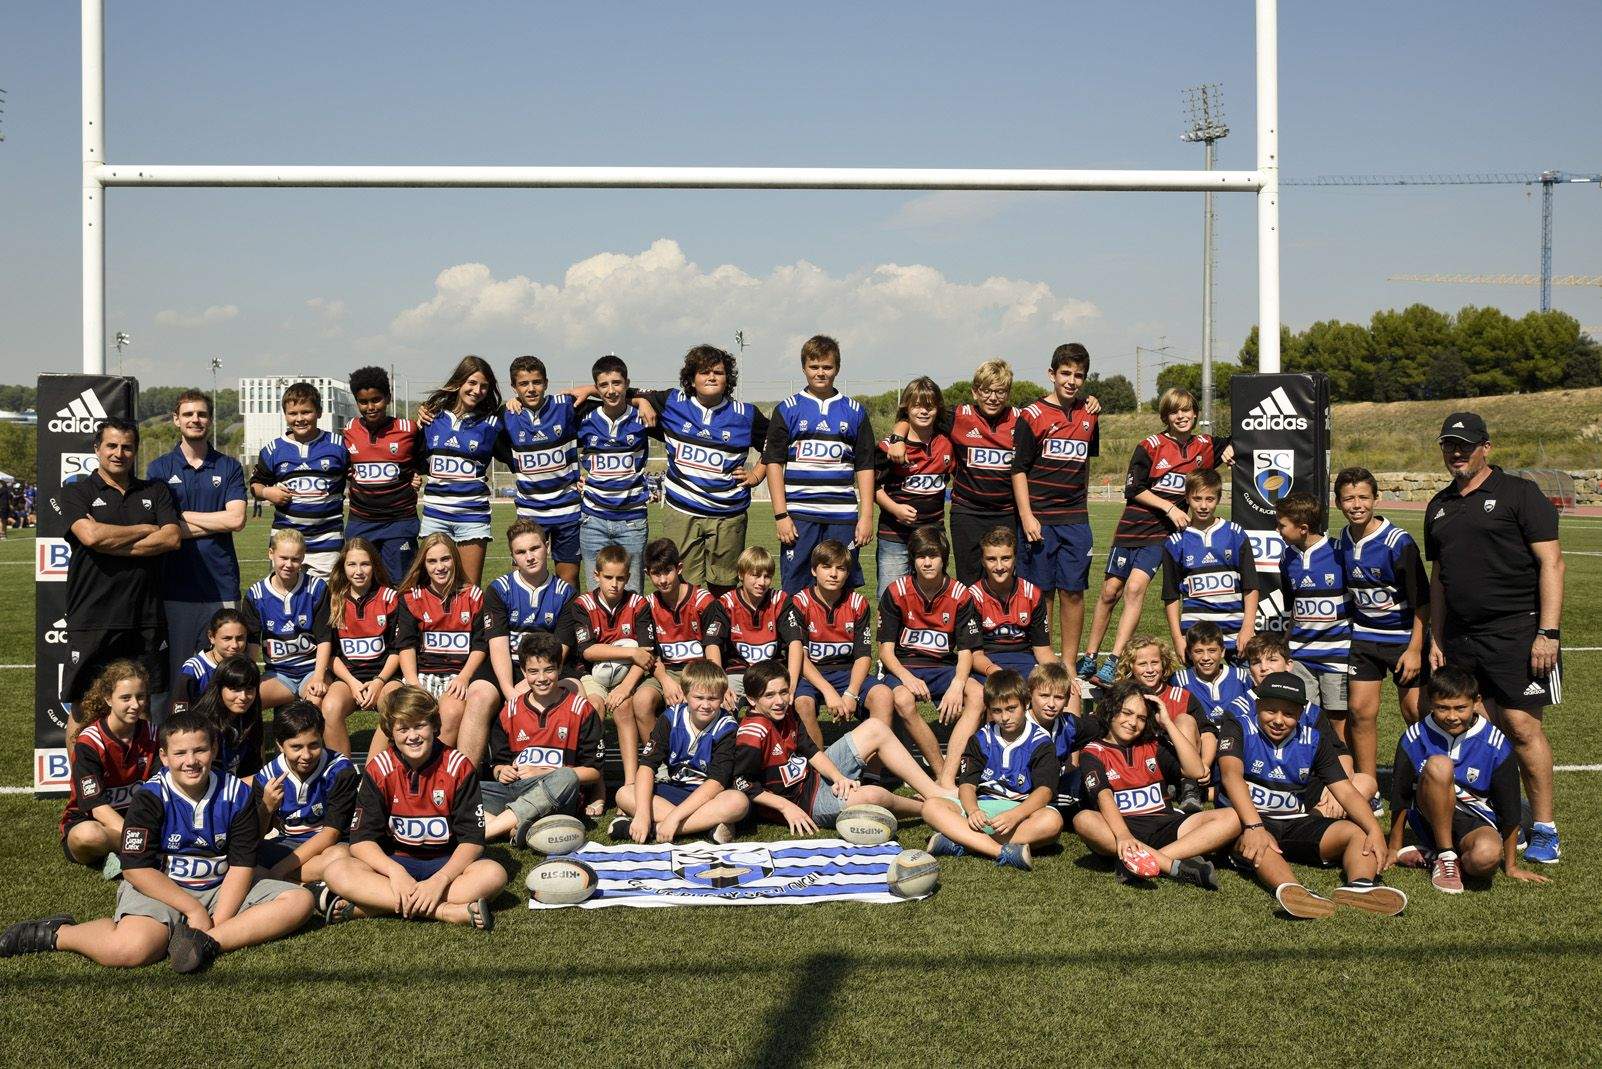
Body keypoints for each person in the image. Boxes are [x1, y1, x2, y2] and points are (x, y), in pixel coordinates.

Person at [1, 710, 314, 972]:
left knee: (300, 901)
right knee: (129, 950)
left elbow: (241, 866)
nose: (191, 761)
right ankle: (58, 933)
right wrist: (192, 910)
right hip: (162, 888)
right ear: (164, 756)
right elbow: (136, 869)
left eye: (200, 750)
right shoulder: (151, 796)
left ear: (214, 750)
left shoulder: (238, 793)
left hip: (221, 887)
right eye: (180, 753)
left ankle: (207, 943)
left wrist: (214, 924)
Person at [1424, 411, 1565, 864]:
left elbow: (1552, 564)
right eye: (1450, 445)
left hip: (1518, 631)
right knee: (1474, 725)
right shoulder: (1439, 505)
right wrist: (1436, 636)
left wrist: (1548, 632)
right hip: (1462, 637)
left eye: (1465, 444)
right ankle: (1499, 812)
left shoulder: (1519, 493)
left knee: (1523, 727)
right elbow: (1439, 578)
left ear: (1487, 446)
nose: (1457, 452)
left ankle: (1544, 827)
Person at [1217, 671, 1406, 918]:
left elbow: (1345, 791)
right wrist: (1254, 826)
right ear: (1258, 705)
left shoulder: (1313, 738)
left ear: (1301, 714)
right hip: (1249, 822)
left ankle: (1360, 886)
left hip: (1296, 821)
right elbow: (1231, 776)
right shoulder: (1238, 725)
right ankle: (1295, 892)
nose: (1278, 720)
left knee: (1357, 833)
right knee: (1263, 848)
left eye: (1288, 714)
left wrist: (1373, 829)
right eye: (1270, 710)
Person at [1083, 387, 1232, 685]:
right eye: (1175, 411)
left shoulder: (1204, 445)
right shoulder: (1150, 446)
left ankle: (1112, 661)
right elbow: (1134, 489)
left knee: (1135, 589)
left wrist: (1230, 448)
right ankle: (1089, 656)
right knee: (1109, 591)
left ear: (1196, 413)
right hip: (1132, 527)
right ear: (1165, 416)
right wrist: (1169, 507)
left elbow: (1236, 440)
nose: (1182, 416)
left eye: (1187, 410)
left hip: (1160, 534)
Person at [321, 686, 505, 928]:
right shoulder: (379, 768)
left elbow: (472, 841)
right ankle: (445, 912)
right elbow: (361, 840)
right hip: (395, 863)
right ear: (390, 732)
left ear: (435, 726)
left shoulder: (459, 767)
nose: (413, 736)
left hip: (446, 864)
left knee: (493, 874)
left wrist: (440, 879)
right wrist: (396, 873)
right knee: (337, 871)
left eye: (420, 726)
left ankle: (372, 906)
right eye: (403, 729)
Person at [733, 658, 971, 843]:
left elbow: (811, 750)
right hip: (805, 802)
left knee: (875, 727)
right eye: (770, 695)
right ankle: (930, 810)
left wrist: (838, 777)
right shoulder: (753, 732)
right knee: (872, 795)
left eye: (784, 692)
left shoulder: (786, 712)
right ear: (752, 701)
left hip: (812, 778)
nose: (779, 701)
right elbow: (742, 783)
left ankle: (938, 795)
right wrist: (787, 807)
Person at [60, 417, 181, 730]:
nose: (119, 453)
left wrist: (107, 541)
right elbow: (90, 537)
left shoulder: (156, 491)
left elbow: (170, 538)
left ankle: (133, 779)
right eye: (111, 445)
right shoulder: (77, 491)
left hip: (145, 617)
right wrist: (143, 529)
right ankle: (81, 778)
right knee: (83, 709)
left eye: (127, 447)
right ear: (97, 448)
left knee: (140, 708)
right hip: (93, 615)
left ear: (136, 451)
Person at [1389, 666, 1549, 893]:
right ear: (1430, 702)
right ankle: (1445, 856)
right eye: (1442, 708)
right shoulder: (1415, 736)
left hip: (1475, 819)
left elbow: (1509, 805)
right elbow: (1400, 795)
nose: (1452, 716)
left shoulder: (1495, 742)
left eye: (1460, 708)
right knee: (1440, 765)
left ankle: (1437, 855)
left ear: (1476, 702)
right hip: (1428, 814)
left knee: (1485, 861)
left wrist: (1511, 865)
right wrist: (1393, 849)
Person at [1073, 682, 1236, 889]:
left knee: (1231, 817)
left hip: (1165, 825)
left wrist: (1167, 723)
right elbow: (1103, 796)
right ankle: (1174, 866)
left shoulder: (1153, 746)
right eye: (1126, 713)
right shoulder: (1093, 752)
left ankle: (1141, 862)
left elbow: (1196, 771)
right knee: (1083, 819)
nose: (1133, 722)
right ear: (1112, 709)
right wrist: (1123, 835)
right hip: (1121, 829)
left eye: (1141, 718)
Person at [641, 345, 771, 597]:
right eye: (704, 372)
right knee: (683, 585)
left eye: (718, 372)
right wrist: (640, 400)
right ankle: (687, 636)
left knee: (724, 586)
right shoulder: (672, 402)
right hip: (682, 512)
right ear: (691, 378)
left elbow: (776, 444)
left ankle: (718, 635)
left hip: (728, 515)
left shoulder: (746, 414)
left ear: (727, 379)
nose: (711, 377)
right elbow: (621, 392)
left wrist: (756, 474)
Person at [145, 389, 247, 691]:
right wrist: (215, 521)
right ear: (176, 420)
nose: (195, 419)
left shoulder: (228, 466)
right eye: (188, 414)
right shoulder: (160, 468)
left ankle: (223, 735)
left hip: (221, 583)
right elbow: (162, 528)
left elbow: (236, 520)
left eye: (201, 414)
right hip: (175, 586)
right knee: (179, 671)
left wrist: (184, 517)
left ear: (210, 419)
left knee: (226, 667)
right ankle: (176, 734)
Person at [1334, 466, 1429, 786]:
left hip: (1403, 639)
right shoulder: (1342, 541)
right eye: (1348, 498)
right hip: (1364, 638)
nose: (1356, 504)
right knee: (1359, 712)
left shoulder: (1397, 542)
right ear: (1338, 503)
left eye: (1363, 497)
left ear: (1376, 499)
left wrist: (1416, 649)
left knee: (1415, 712)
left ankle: (1428, 778)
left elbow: (1423, 601)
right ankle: (1368, 785)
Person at [889, 360, 1019, 586]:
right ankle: (970, 623)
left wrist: (1086, 403)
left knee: (1005, 581)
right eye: (986, 391)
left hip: (1006, 513)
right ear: (975, 391)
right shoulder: (958, 416)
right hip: (967, 513)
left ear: (1008, 394)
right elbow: (914, 414)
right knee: (970, 582)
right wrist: (897, 438)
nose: (993, 397)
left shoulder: (1022, 419)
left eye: (1000, 391)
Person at [764, 335, 876, 594]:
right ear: (804, 368)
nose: (821, 373)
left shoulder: (855, 411)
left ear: (837, 368)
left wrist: (866, 516)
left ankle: (838, 635)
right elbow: (773, 463)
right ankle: (796, 636)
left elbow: (865, 465)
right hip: (800, 516)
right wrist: (781, 515)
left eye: (827, 367)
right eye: (814, 367)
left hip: (842, 516)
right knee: (796, 585)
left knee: (841, 584)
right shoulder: (788, 409)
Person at [1012, 343, 1100, 669]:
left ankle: (1069, 664)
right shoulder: (1031, 416)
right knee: (1042, 594)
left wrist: (1083, 504)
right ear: (1052, 374)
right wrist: (1027, 516)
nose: (1071, 380)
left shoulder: (1090, 414)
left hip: (1075, 519)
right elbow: (1018, 469)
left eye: (1079, 375)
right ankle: (1045, 662)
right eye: (1065, 373)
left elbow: (1086, 464)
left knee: (1073, 592)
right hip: (1039, 519)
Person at [925, 669, 1062, 871]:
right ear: (989, 709)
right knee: (931, 807)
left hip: (1021, 811)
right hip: (984, 808)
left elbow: (1045, 791)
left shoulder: (1040, 741)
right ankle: (1001, 851)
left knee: (1053, 822)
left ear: (1026, 704)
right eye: (997, 711)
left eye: (1011, 709)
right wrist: (972, 811)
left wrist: (1016, 814)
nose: (1004, 717)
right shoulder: (982, 738)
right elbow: (967, 784)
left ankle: (964, 841)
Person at [876, 525, 981, 777]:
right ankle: (941, 771)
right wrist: (907, 677)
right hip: (906, 666)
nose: (927, 562)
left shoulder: (960, 594)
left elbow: (967, 650)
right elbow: (885, 651)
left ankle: (954, 767)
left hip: (943, 667)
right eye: (921, 556)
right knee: (902, 699)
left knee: (977, 693)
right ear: (913, 559)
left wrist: (957, 684)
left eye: (933, 556)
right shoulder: (896, 592)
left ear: (943, 558)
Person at [612, 659, 751, 844]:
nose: (706, 705)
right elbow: (646, 766)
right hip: (675, 789)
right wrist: (643, 814)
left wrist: (673, 819)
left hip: (710, 796)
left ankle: (657, 828)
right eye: (699, 698)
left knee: (738, 802)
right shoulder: (670, 718)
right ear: (685, 695)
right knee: (624, 794)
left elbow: (717, 783)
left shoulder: (727, 727)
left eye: (713, 698)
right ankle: (705, 825)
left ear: (722, 697)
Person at [393, 533, 502, 767]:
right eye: (432, 561)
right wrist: (412, 682)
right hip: (422, 674)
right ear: (423, 563)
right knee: (400, 710)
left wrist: (464, 677)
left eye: (445, 559)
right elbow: (406, 644)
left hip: (458, 675)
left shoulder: (473, 596)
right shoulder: (412, 597)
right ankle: (381, 777)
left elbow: (480, 644)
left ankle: (437, 773)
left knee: (451, 711)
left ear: (455, 559)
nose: (440, 567)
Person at [481, 634, 601, 845]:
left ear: (560, 668)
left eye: (548, 670)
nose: (541, 678)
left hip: (558, 795)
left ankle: (488, 831)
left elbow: (593, 771)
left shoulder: (581, 710)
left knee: (567, 776)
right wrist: (501, 771)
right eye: (533, 671)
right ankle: (521, 828)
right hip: (516, 789)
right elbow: (498, 763)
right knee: (465, 789)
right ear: (523, 672)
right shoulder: (509, 710)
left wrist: (546, 773)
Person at [559, 543, 656, 785]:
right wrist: (630, 652)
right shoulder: (583, 605)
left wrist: (625, 687)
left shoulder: (639, 604)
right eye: (608, 577)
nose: (614, 584)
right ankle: (596, 783)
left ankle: (630, 782)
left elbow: (646, 655)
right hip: (592, 675)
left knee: (624, 707)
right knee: (593, 706)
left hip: (628, 677)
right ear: (596, 575)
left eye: (621, 578)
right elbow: (588, 651)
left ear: (629, 577)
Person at [777, 538, 885, 750]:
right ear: (814, 570)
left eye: (840, 568)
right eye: (826, 567)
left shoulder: (858, 603)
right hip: (811, 674)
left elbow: (863, 655)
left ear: (847, 573)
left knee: (883, 696)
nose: (833, 574)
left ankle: (874, 769)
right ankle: (820, 767)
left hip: (847, 672)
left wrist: (851, 692)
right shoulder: (799, 603)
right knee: (802, 703)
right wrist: (829, 691)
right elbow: (801, 657)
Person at [59, 660, 157, 875]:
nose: (135, 705)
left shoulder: (153, 733)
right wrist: (140, 837)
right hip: (95, 822)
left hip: (137, 819)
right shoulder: (90, 742)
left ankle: (124, 853)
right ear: (107, 698)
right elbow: (97, 807)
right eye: (125, 698)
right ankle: (137, 849)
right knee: (86, 837)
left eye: (140, 697)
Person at [417, 356, 503, 587]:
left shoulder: (493, 423)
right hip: (435, 516)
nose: (477, 390)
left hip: (472, 519)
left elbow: (520, 454)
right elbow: (416, 459)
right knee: (434, 589)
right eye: (472, 383)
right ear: (458, 382)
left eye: (484, 386)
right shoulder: (432, 417)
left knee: (468, 591)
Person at [1275, 490, 1353, 745]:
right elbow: (1294, 605)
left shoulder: (1339, 552)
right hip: (1301, 655)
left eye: (1282, 525)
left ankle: (1343, 776)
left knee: (1337, 721)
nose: (1278, 530)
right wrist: (1286, 641)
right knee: (1302, 717)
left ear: (1304, 528)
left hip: (1336, 655)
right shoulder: (1287, 557)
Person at [253, 700, 358, 887]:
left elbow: (331, 834)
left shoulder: (339, 770)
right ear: (280, 745)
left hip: (328, 847)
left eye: (314, 745)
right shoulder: (267, 776)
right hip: (287, 845)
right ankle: (308, 882)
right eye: (296, 747)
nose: (307, 755)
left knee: (341, 855)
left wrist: (278, 870)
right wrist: (266, 808)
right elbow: (255, 837)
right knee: (240, 856)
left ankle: (280, 880)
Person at [249, 381, 348, 579]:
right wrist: (268, 492)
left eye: (306, 412)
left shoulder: (338, 446)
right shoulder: (273, 450)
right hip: (286, 542)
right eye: (293, 414)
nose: (300, 419)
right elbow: (255, 485)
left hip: (327, 542)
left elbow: (357, 474)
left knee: (326, 601)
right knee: (284, 597)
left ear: (319, 412)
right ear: (285, 415)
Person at [316, 537, 402, 756]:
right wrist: (353, 683)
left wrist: (378, 682)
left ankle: (374, 773)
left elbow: (397, 650)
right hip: (348, 678)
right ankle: (342, 774)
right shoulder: (334, 599)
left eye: (365, 564)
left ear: (374, 566)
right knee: (330, 707)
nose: (359, 571)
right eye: (351, 564)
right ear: (342, 567)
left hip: (385, 678)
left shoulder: (390, 597)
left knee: (395, 706)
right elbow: (332, 654)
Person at [633, 538, 725, 744]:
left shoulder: (703, 601)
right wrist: (665, 681)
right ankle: (658, 761)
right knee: (641, 701)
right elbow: (650, 654)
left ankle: (701, 757)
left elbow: (712, 646)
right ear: (648, 574)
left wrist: (714, 681)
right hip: (664, 671)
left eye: (668, 571)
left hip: (700, 671)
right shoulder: (647, 605)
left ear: (680, 568)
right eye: (657, 573)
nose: (663, 579)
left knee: (696, 702)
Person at [1160, 468, 1258, 660]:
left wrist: (1248, 627)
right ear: (1187, 498)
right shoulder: (1175, 542)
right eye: (1197, 499)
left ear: (1219, 498)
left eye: (1210, 499)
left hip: (1235, 635)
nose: (1203, 505)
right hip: (1195, 638)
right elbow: (1171, 595)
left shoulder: (1235, 534)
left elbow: (1251, 585)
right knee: (1198, 690)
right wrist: (1177, 637)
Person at [873, 376, 955, 601]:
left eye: (929, 406)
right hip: (895, 536)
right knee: (890, 598)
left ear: (938, 408)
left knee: (933, 597)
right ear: (906, 408)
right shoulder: (889, 446)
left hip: (933, 535)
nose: (923, 411)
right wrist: (895, 509)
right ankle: (889, 639)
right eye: (917, 405)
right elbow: (871, 486)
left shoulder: (948, 442)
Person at [575, 354, 652, 593]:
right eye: (604, 385)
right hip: (593, 520)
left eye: (617, 383)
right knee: (595, 593)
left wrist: (642, 401)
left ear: (627, 384)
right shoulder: (583, 418)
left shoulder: (642, 418)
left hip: (632, 521)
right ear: (596, 388)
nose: (611, 390)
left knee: (632, 593)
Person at [343, 366, 424, 584]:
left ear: (388, 398)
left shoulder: (409, 429)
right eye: (363, 402)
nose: (370, 407)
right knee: (362, 584)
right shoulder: (348, 431)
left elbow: (422, 462)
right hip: (361, 522)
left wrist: (416, 474)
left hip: (399, 522)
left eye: (376, 399)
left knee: (401, 585)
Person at [1114, 635, 1211, 812]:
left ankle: (1189, 788)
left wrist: (1204, 764)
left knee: (1185, 720)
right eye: (1142, 664)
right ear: (1131, 667)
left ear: (1164, 664)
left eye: (1155, 663)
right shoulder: (1122, 697)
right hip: (1139, 765)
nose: (1150, 669)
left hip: (1182, 764)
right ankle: (1162, 786)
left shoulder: (1181, 696)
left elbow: (1207, 732)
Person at [484, 520, 577, 701]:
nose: (529, 557)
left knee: (576, 691)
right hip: (507, 666)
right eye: (521, 552)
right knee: (479, 696)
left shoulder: (566, 594)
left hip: (548, 670)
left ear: (547, 547)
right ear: (513, 556)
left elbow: (560, 650)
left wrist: (528, 684)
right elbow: (498, 645)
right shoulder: (499, 590)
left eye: (534, 548)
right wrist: (509, 691)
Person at [241, 528, 331, 711]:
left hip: (311, 671)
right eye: (283, 558)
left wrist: (319, 677)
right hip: (278, 675)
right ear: (271, 554)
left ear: (303, 558)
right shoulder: (256, 595)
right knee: (246, 700)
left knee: (316, 703)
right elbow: (252, 643)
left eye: (295, 559)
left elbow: (324, 638)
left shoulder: (316, 589)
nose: (289, 564)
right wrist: (248, 681)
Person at [708, 545, 795, 711]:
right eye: (755, 575)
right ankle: (729, 737)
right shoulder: (726, 603)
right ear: (741, 574)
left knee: (783, 703)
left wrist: (791, 684)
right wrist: (721, 685)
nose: (761, 582)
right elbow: (713, 644)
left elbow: (795, 642)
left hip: (772, 672)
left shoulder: (780, 600)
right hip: (737, 673)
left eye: (767, 576)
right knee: (722, 704)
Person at [1024, 661, 1103, 817]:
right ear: (1029, 695)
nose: (1051, 704)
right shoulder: (1017, 726)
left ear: (1067, 700)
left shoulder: (1068, 725)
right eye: (1044, 696)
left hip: (1057, 790)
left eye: (1059, 697)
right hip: (1021, 794)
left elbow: (1104, 725)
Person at [187, 655, 266, 779]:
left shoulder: (251, 715)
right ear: (219, 688)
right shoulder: (202, 725)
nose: (243, 697)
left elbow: (252, 765)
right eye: (235, 689)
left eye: (249, 689)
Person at [1171, 621, 1253, 727]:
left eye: (1212, 650)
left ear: (1222, 651)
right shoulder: (1180, 681)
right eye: (1198, 651)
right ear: (1189, 654)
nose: (1206, 657)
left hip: (1236, 739)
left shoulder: (1239, 677)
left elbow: (1254, 710)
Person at [173, 608, 250, 713]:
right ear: (211, 637)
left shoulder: (247, 667)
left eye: (240, 638)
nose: (234, 645)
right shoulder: (194, 669)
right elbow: (179, 717)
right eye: (227, 638)